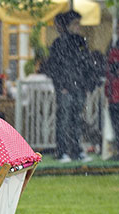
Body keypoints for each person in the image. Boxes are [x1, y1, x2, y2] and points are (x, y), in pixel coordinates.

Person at [45, 11, 95, 163]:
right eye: (75, 24)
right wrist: (61, 86)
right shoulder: (59, 44)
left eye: (78, 23)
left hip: (78, 87)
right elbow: (55, 67)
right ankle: (62, 151)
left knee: (77, 119)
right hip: (66, 88)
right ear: (68, 26)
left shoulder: (80, 42)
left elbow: (86, 63)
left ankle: (76, 150)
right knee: (64, 120)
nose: (78, 27)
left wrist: (86, 84)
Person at [106, 28, 119, 159]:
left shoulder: (113, 51)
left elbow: (111, 71)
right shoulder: (113, 50)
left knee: (116, 125)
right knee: (116, 126)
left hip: (114, 95)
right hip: (114, 96)